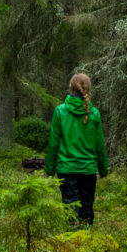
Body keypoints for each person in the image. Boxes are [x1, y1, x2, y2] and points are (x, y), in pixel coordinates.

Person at [45, 72, 108, 225]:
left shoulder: (60, 111)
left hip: (66, 169)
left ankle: (73, 239)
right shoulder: (93, 113)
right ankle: (85, 239)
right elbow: (100, 145)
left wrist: (50, 169)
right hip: (88, 169)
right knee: (87, 205)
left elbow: (53, 143)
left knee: (70, 205)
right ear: (88, 89)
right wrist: (103, 168)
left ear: (71, 88)